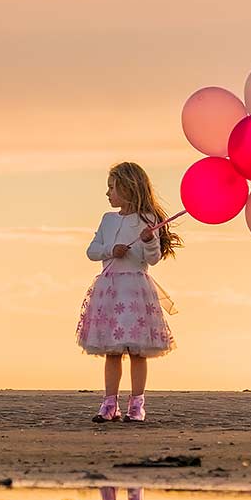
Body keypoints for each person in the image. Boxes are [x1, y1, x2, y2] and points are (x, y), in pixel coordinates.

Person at [75, 161, 183, 423]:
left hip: (134, 290)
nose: (108, 193)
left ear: (128, 187)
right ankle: (109, 403)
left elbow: (153, 259)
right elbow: (92, 251)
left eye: (112, 187)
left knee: (137, 350)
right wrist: (111, 250)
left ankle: (137, 404)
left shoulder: (147, 220)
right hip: (110, 289)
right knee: (112, 349)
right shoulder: (108, 220)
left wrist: (148, 241)